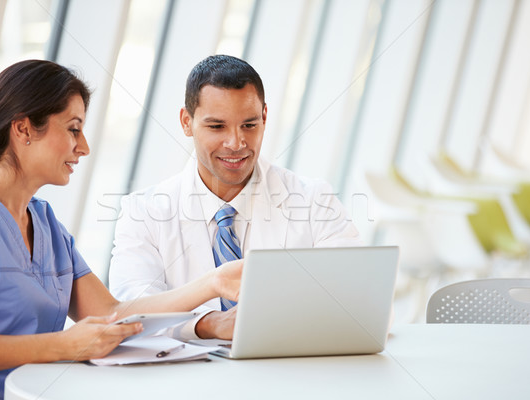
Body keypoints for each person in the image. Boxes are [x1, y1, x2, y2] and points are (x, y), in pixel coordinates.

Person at [0, 59, 241, 400]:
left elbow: (112, 313)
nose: (84, 147)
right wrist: (61, 346)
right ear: (22, 130)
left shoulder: (45, 223)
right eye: (73, 129)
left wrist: (212, 283)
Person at [109, 55, 361, 341]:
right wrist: (209, 323)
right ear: (186, 122)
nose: (236, 143)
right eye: (217, 127)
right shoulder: (142, 212)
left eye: (249, 125)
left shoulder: (315, 201)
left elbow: (362, 304)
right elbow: (131, 314)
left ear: (264, 117)